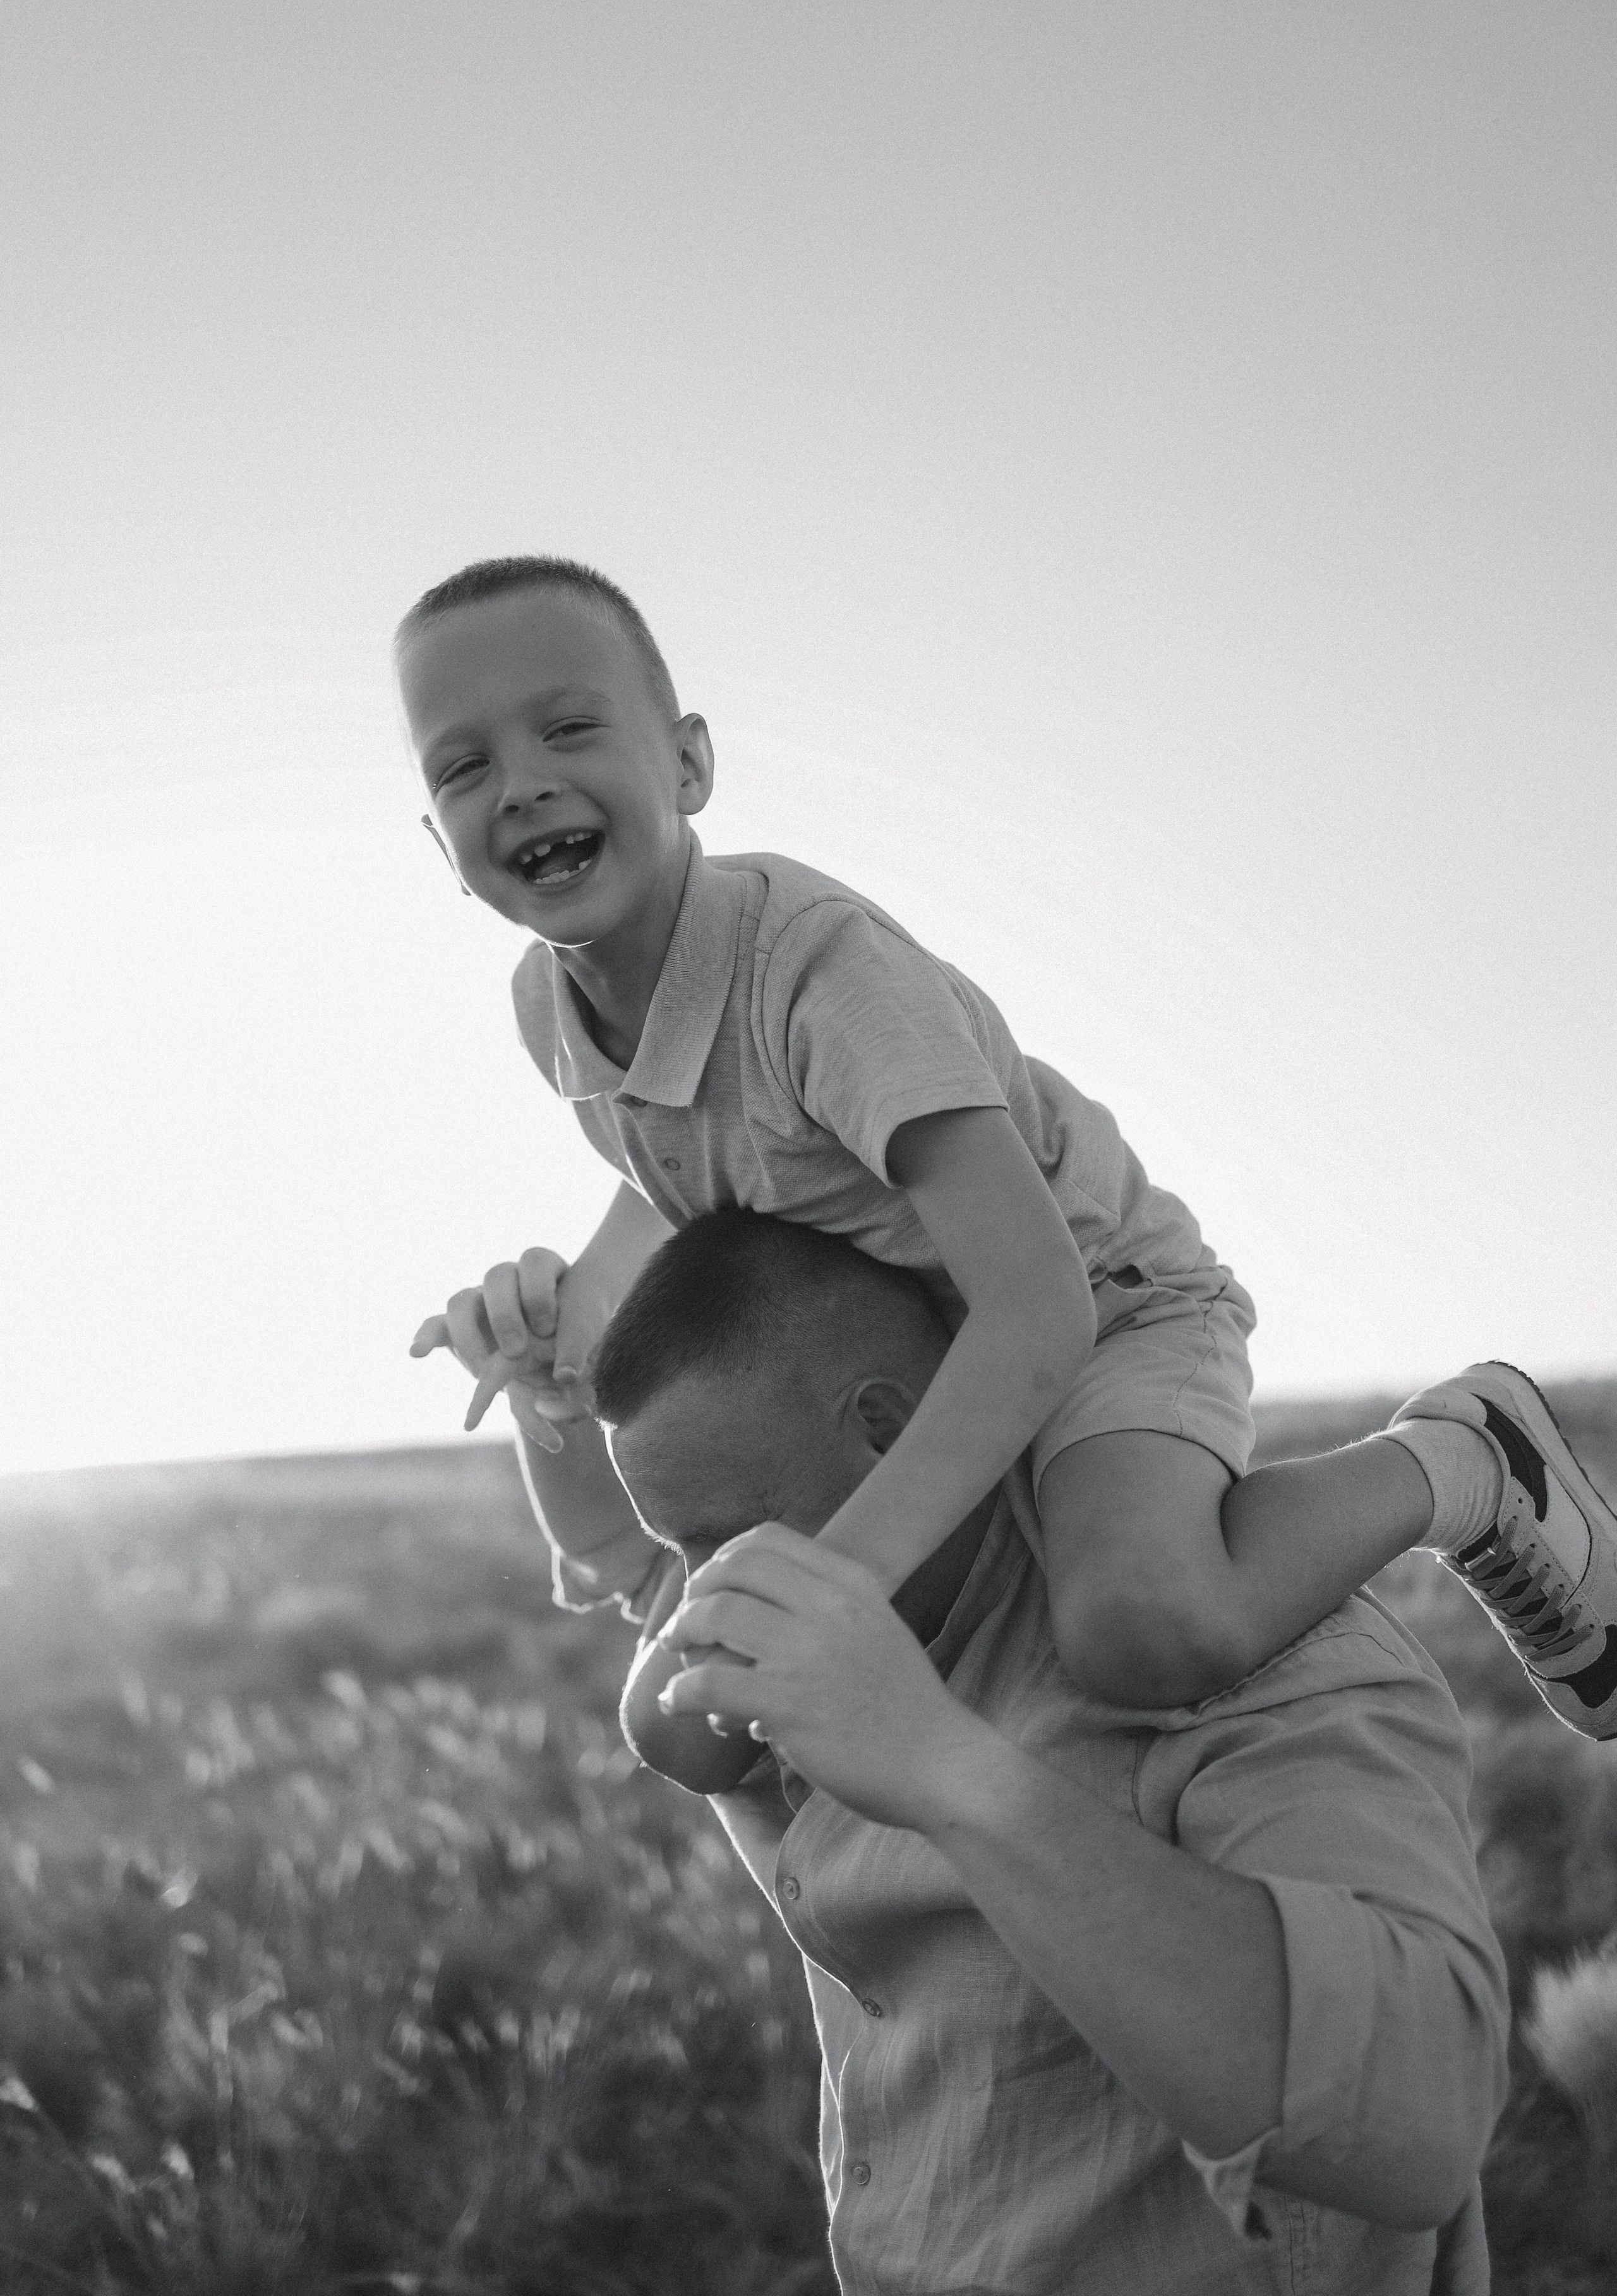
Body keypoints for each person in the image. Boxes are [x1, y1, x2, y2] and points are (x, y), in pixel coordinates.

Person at [402, 553, 1617, 1733]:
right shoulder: (546, 1008)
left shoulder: (822, 983)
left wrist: (851, 1578)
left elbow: (1039, 1309)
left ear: (688, 762)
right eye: (466, 765)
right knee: (688, 1718)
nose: (520, 784)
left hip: (1101, 1306)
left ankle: (1461, 1459)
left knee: (1144, 1626)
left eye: (569, 730)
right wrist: (564, 1337)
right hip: (922, 1344)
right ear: (438, 844)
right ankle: (863, 1927)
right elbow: (670, 1173)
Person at [442, 1209, 1512, 2293]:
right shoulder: (795, 1579)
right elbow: (631, 1571)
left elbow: (1417, 2134)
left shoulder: (1247, 1648)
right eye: (688, 1551)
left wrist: (953, 1774)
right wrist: (549, 1394)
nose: (698, 1601)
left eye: (725, 1541)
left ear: (885, 1424)